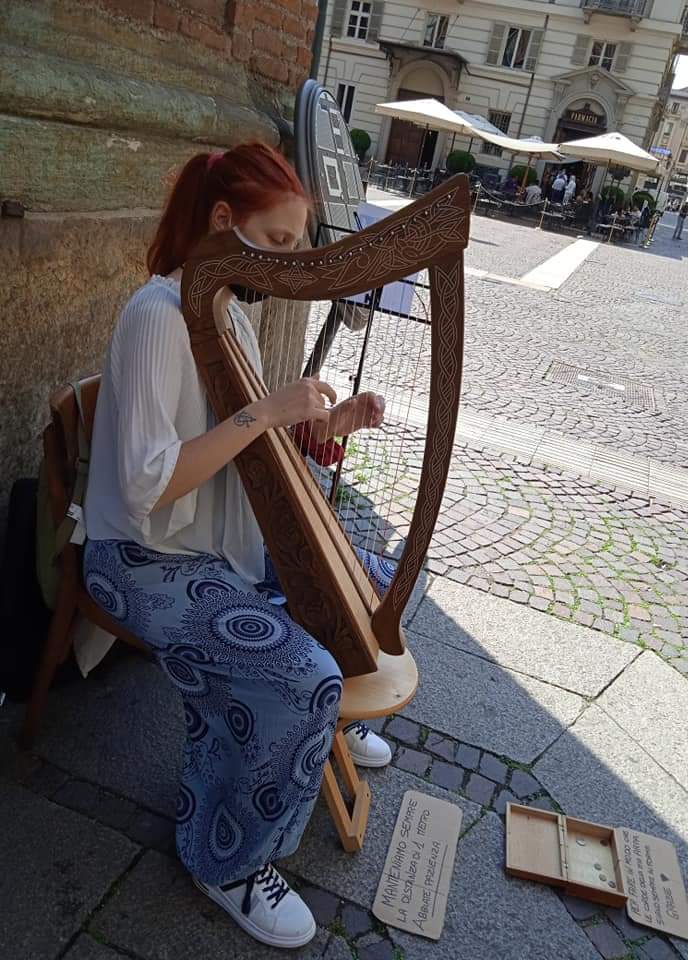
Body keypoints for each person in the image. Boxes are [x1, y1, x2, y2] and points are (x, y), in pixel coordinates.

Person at [82, 143, 395, 949]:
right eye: (280, 243)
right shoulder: (157, 316)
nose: (289, 265)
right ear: (223, 222)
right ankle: (226, 860)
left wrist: (327, 426)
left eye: (299, 247)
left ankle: (314, 725)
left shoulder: (224, 315)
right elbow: (153, 483)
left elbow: (256, 446)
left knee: (373, 581)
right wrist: (266, 413)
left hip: (206, 550)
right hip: (141, 558)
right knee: (302, 675)